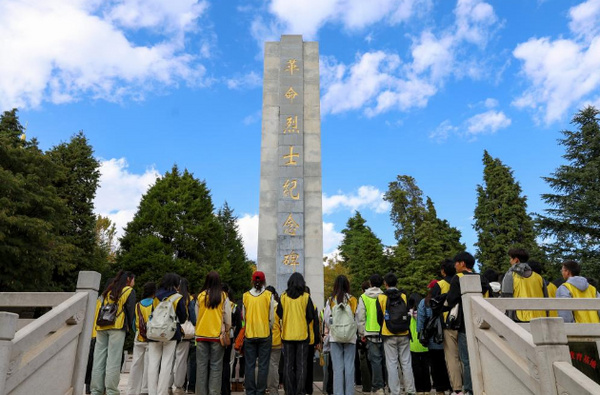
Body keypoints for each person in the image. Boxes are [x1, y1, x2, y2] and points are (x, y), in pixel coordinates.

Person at [444, 252, 490, 395]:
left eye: (456, 263)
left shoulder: (458, 278)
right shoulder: (481, 277)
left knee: (466, 358)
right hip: (482, 322)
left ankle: (470, 389)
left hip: (464, 323)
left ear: (462, 263)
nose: (455, 266)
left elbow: (451, 300)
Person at [91, 270, 136, 395]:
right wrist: (128, 328)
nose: (134, 282)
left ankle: (96, 390)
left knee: (98, 360)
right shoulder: (128, 291)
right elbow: (130, 311)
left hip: (101, 326)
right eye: (133, 280)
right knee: (113, 360)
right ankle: (111, 391)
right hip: (116, 327)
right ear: (128, 279)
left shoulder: (108, 291)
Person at [148, 273, 188, 395]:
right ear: (176, 284)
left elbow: (152, 314)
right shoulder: (178, 297)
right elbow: (182, 318)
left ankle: (152, 392)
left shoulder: (156, 297)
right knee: (166, 364)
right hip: (170, 334)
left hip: (154, 332)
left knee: (152, 364)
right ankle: (161, 392)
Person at [276, 272, 315, 395]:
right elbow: (310, 316)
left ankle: (289, 391)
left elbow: (279, 314)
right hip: (302, 336)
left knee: (288, 365)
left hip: (287, 335)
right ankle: (300, 391)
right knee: (301, 365)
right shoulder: (306, 297)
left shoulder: (283, 297)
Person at [376, 272, 415, 395]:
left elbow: (379, 317)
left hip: (388, 333)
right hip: (404, 332)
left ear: (385, 283)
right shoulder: (403, 295)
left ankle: (395, 391)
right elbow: (408, 312)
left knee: (392, 364)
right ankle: (410, 390)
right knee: (406, 362)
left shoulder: (381, 297)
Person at [195, 271, 232, 395]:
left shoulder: (200, 296)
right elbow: (227, 317)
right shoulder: (223, 296)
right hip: (217, 336)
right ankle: (214, 392)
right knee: (216, 367)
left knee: (201, 367)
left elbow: (196, 316)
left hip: (201, 335)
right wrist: (226, 330)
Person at [323, 275, 357, 395]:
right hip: (350, 337)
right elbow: (356, 318)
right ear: (347, 285)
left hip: (335, 336)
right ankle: (349, 392)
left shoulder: (331, 300)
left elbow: (326, 318)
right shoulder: (353, 299)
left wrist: (333, 328)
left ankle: (338, 392)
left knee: (337, 369)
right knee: (349, 367)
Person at [432, 259, 462, 395]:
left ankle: (456, 388)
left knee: (452, 358)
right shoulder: (461, 281)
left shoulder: (439, 285)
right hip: (463, 322)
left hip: (447, 324)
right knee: (465, 357)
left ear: (443, 271)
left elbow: (434, 306)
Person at [243, 271, 275, 395]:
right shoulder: (268, 295)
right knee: (263, 365)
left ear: (252, 280)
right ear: (264, 281)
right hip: (264, 334)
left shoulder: (245, 296)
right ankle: (260, 391)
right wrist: (268, 328)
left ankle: (250, 391)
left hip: (250, 334)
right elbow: (271, 317)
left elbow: (244, 317)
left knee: (249, 365)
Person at [417, 280, 450, 395]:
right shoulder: (445, 300)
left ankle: (439, 389)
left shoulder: (425, 302)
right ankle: (450, 386)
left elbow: (420, 319)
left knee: (435, 364)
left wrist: (420, 333)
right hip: (446, 337)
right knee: (448, 363)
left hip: (432, 338)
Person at [356, 273, 386, 395]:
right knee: (386, 360)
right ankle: (386, 384)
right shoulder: (384, 296)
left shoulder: (363, 297)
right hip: (384, 331)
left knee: (375, 361)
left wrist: (361, 333)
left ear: (370, 283)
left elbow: (360, 316)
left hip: (369, 332)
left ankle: (378, 387)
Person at [501, 248, 548, 322]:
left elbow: (505, 298)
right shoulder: (539, 277)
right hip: (540, 318)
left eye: (510, 259)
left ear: (516, 260)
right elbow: (546, 298)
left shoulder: (510, 275)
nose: (510, 261)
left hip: (519, 318)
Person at [128, 281, 156, 395]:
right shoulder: (155, 303)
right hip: (151, 337)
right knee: (148, 364)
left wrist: (137, 332)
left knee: (135, 364)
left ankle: (132, 390)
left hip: (139, 336)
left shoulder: (138, 305)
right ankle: (145, 389)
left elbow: (134, 321)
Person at [172, 278, 196, 395]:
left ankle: (167, 386)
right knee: (181, 361)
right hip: (185, 333)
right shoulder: (189, 299)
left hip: (171, 331)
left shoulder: (173, 297)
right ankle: (178, 387)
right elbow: (193, 317)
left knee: (170, 361)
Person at [408, 293, 429, 395]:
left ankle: (419, 389)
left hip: (413, 344)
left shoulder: (409, 314)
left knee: (416, 368)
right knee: (425, 367)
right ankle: (427, 389)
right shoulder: (424, 312)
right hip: (424, 343)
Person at [266, 286, 282, 395]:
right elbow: (282, 323)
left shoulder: (262, 306)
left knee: (262, 365)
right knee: (274, 365)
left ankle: (262, 387)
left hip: (263, 338)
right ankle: (273, 390)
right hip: (276, 339)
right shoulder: (278, 307)